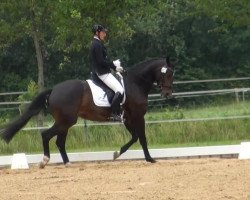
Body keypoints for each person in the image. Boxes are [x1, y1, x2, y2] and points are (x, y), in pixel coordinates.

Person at [90, 24, 124, 121]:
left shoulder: (97, 43)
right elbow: (100, 61)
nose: (105, 34)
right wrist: (113, 64)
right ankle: (114, 114)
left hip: (103, 71)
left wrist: (115, 68)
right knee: (120, 90)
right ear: (97, 32)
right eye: (103, 32)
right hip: (102, 73)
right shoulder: (96, 44)